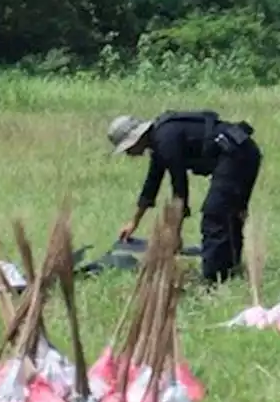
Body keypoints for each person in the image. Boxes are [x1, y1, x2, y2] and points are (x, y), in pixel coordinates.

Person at [108, 110, 263, 284]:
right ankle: (229, 268)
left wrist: (176, 233)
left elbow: (179, 188)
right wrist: (134, 222)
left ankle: (213, 278)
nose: (129, 154)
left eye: (128, 148)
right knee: (227, 213)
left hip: (237, 156)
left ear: (136, 137)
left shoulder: (165, 140)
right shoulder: (160, 140)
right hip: (242, 152)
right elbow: (152, 183)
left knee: (215, 215)